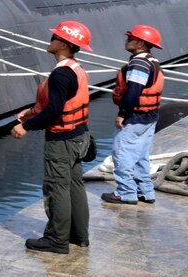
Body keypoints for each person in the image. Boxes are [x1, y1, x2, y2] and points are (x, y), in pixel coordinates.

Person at [11, 20, 92, 254]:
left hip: (62, 141)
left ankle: (57, 240)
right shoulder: (75, 69)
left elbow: (55, 110)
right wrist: (33, 111)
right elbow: (62, 102)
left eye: (54, 38)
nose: (50, 41)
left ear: (64, 44)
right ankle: (80, 236)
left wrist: (26, 125)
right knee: (75, 185)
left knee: (57, 188)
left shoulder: (60, 75)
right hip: (80, 137)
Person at [102, 25, 164, 206]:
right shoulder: (152, 61)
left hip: (136, 116)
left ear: (140, 42)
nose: (126, 40)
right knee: (140, 154)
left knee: (122, 153)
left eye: (130, 38)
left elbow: (134, 91)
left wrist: (122, 114)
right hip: (150, 116)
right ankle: (145, 191)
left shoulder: (139, 63)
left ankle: (126, 193)